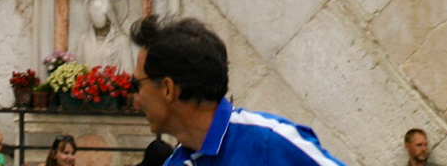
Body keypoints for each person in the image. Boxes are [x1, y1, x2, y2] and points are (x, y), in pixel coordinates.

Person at [130, 13, 348, 165]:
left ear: (168, 89)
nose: (136, 99)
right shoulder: (176, 162)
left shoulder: (269, 141)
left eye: (138, 85)